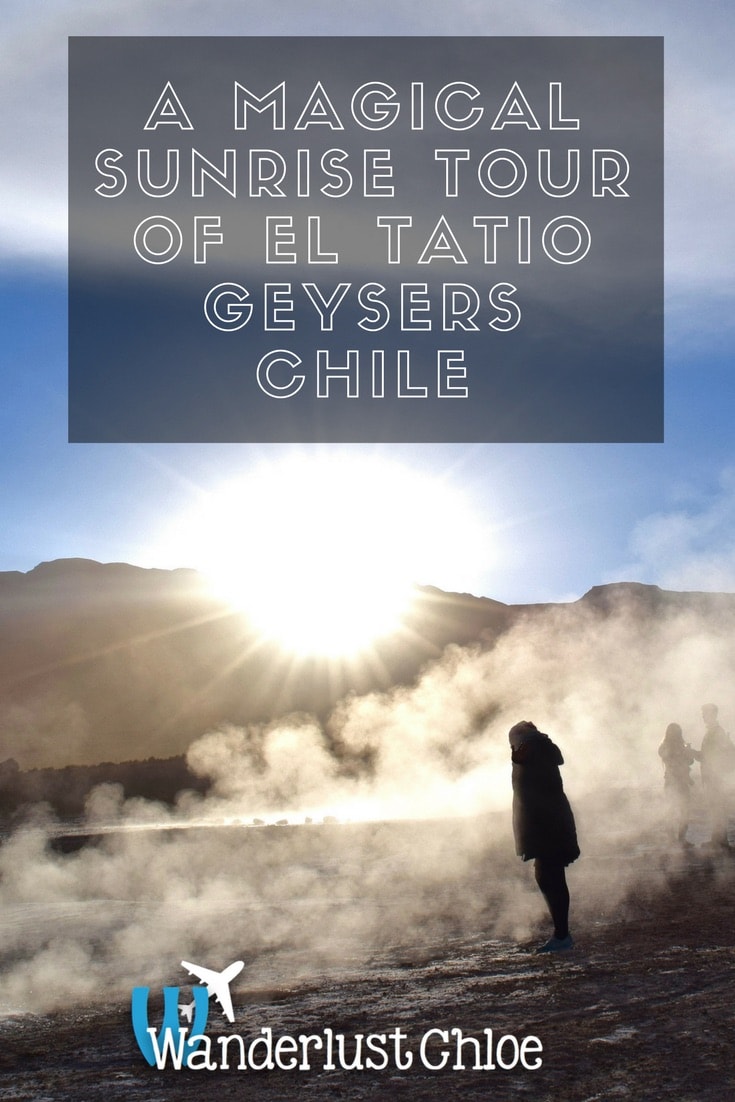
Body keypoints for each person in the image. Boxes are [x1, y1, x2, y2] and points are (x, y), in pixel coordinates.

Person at [509, 720, 580, 953]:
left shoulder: (532, 752)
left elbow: (535, 793)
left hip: (547, 826)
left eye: (514, 743)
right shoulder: (538, 750)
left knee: (551, 877)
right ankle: (561, 933)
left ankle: (562, 934)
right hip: (548, 824)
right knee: (548, 875)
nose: (513, 748)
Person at [694, 704, 735, 849]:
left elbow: (709, 757)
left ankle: (720, 841)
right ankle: (718, 840)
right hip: (714, 777)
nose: (703, 716)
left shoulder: (716, 732)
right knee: (715, 808)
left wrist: (693, 753)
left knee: (717, 808)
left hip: (715, 778)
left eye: (705, 713)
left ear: (712, 714)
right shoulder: (714, 732)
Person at [657, 723, 695, 843]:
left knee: (679, 811)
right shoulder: (666, 748)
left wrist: (687, 751)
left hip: (676, 782)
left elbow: (689, 761)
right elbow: (683, 762)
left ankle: (677, 839)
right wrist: (685, 752)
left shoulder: (671, 747)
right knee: (677, 811)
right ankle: (676, 839)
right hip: (675, 782)